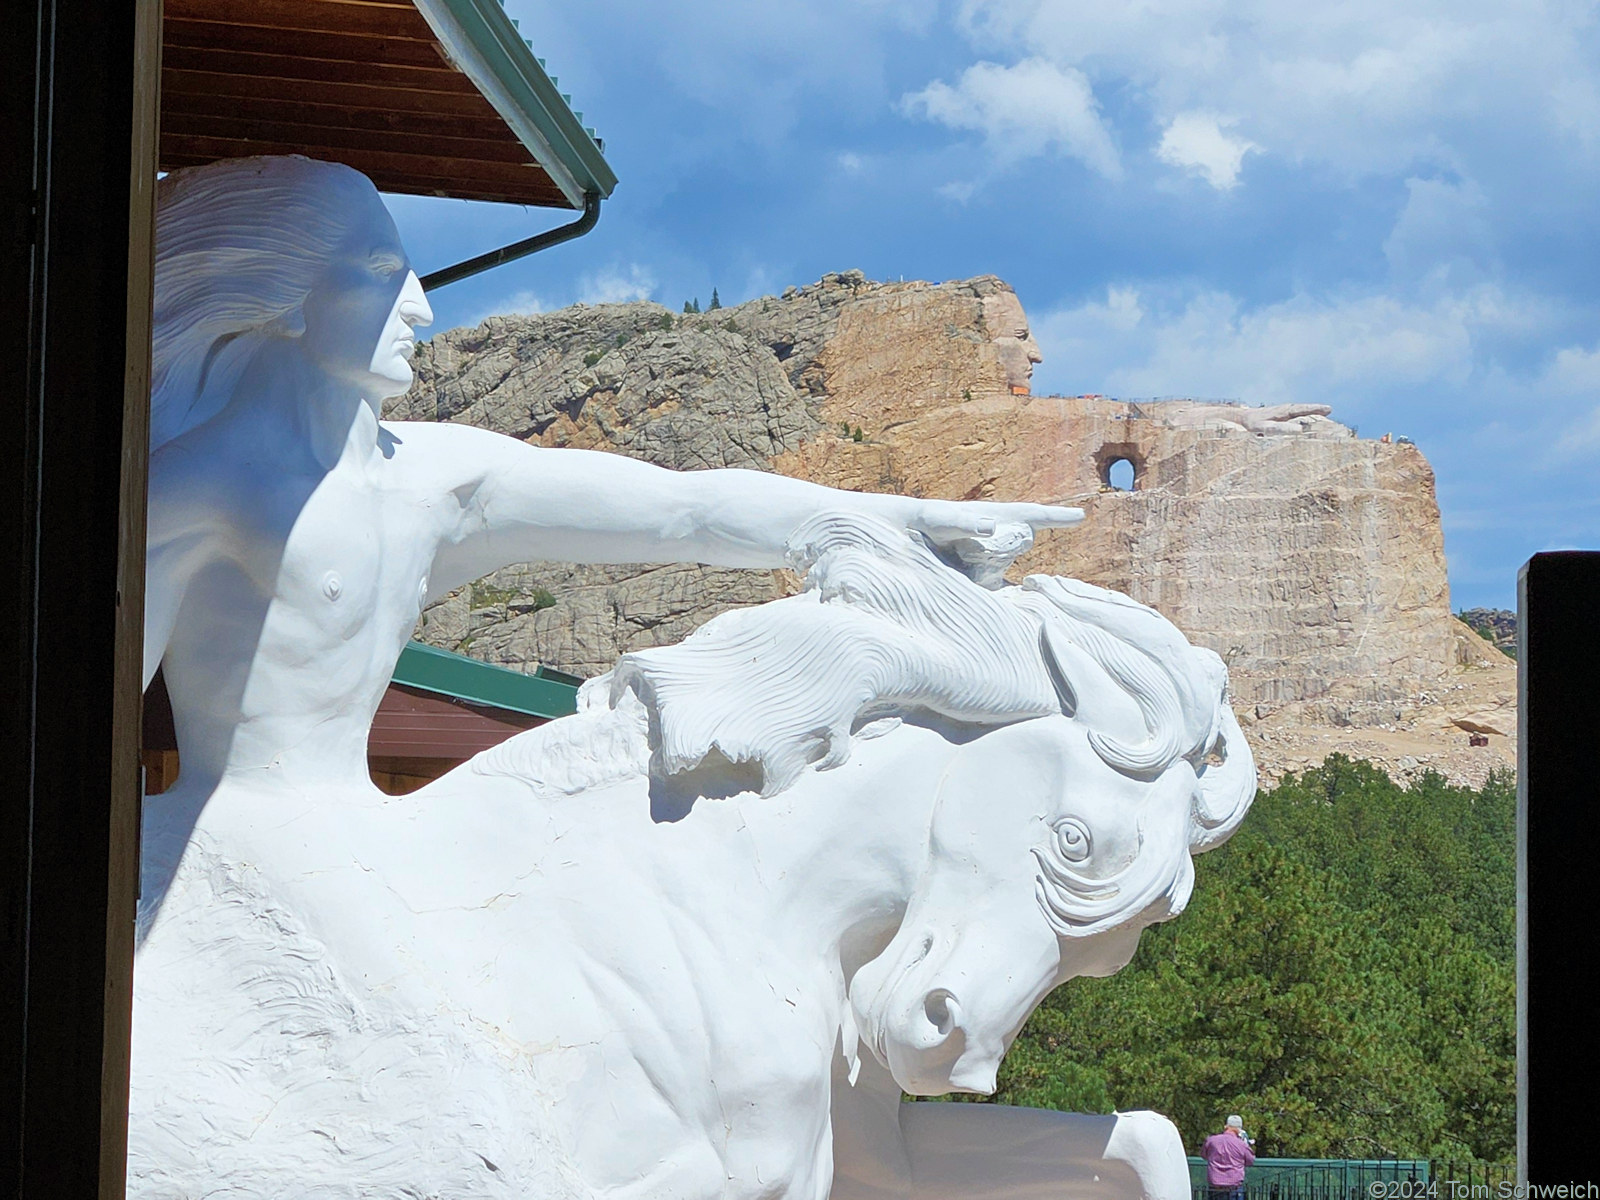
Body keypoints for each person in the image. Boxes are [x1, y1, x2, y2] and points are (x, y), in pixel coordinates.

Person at [138, 154, 1083, 917]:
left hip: (367, 845)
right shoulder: (206, 486)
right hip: (241, 867)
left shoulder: (433, 478)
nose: (422, 306)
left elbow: (687, 509)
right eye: (385, 276)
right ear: (283, 294)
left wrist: (910, 522)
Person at [1201, 1114, 1256, 1200]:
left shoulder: (1211, 1140)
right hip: (1234, 1188)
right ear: (1239, 1130)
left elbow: (1204, 1155)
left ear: (1226, 1126)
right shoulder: (1241, 1145)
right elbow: (1250, 1160)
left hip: (1215, 1187)